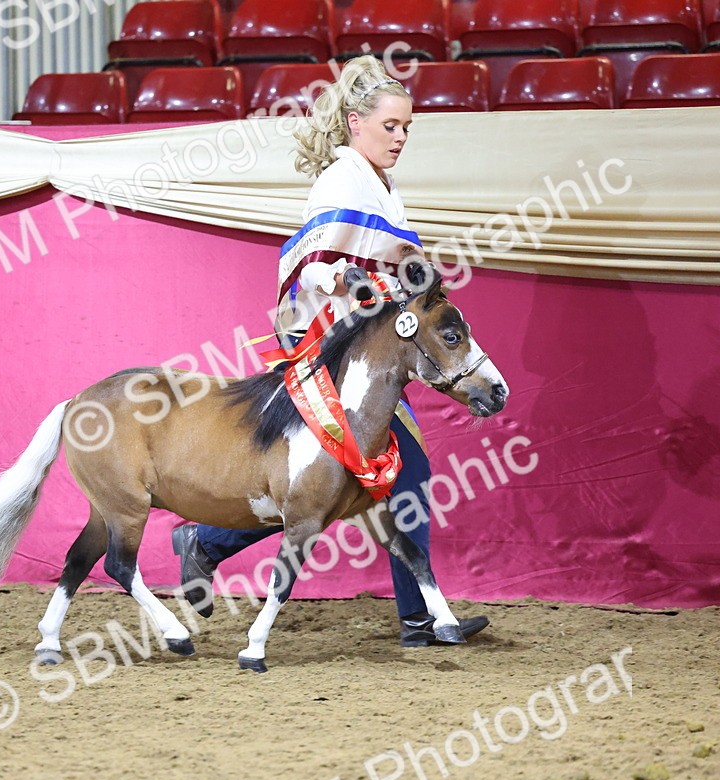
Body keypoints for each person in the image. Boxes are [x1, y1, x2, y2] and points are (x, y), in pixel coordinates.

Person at [172, 56, 488, 647]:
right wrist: (352, 287)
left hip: (368, 354)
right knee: (397, 474)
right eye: (391, 126)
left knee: (367, 481)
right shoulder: (341, 183)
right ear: (355, 121)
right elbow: (313, 269)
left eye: (407, 128)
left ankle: (204, 543)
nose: (400, 138)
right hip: (338, 356)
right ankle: (420, 618)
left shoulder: (376, 184)